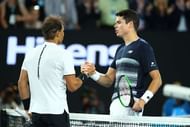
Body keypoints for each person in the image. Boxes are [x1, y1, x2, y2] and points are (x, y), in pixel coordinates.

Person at [81, 9, 162, 116]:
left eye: (119, 22)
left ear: (130, 24)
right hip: (116, 104)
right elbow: (108, 80)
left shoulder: (143, 47)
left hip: (131, 107)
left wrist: (143, 100)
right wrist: (93, 73)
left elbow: (158, 79)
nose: (115, 26)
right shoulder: (120, 49)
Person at [18, 16, 83, 127]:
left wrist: (28, 107)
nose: (63, 34)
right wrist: (85, 74)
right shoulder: (64, 54)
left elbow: (22, 83)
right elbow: (73, 86)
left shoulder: (30, 53)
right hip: (56, 115)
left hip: (37, 115)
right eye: (63, 31)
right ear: (57, 33)